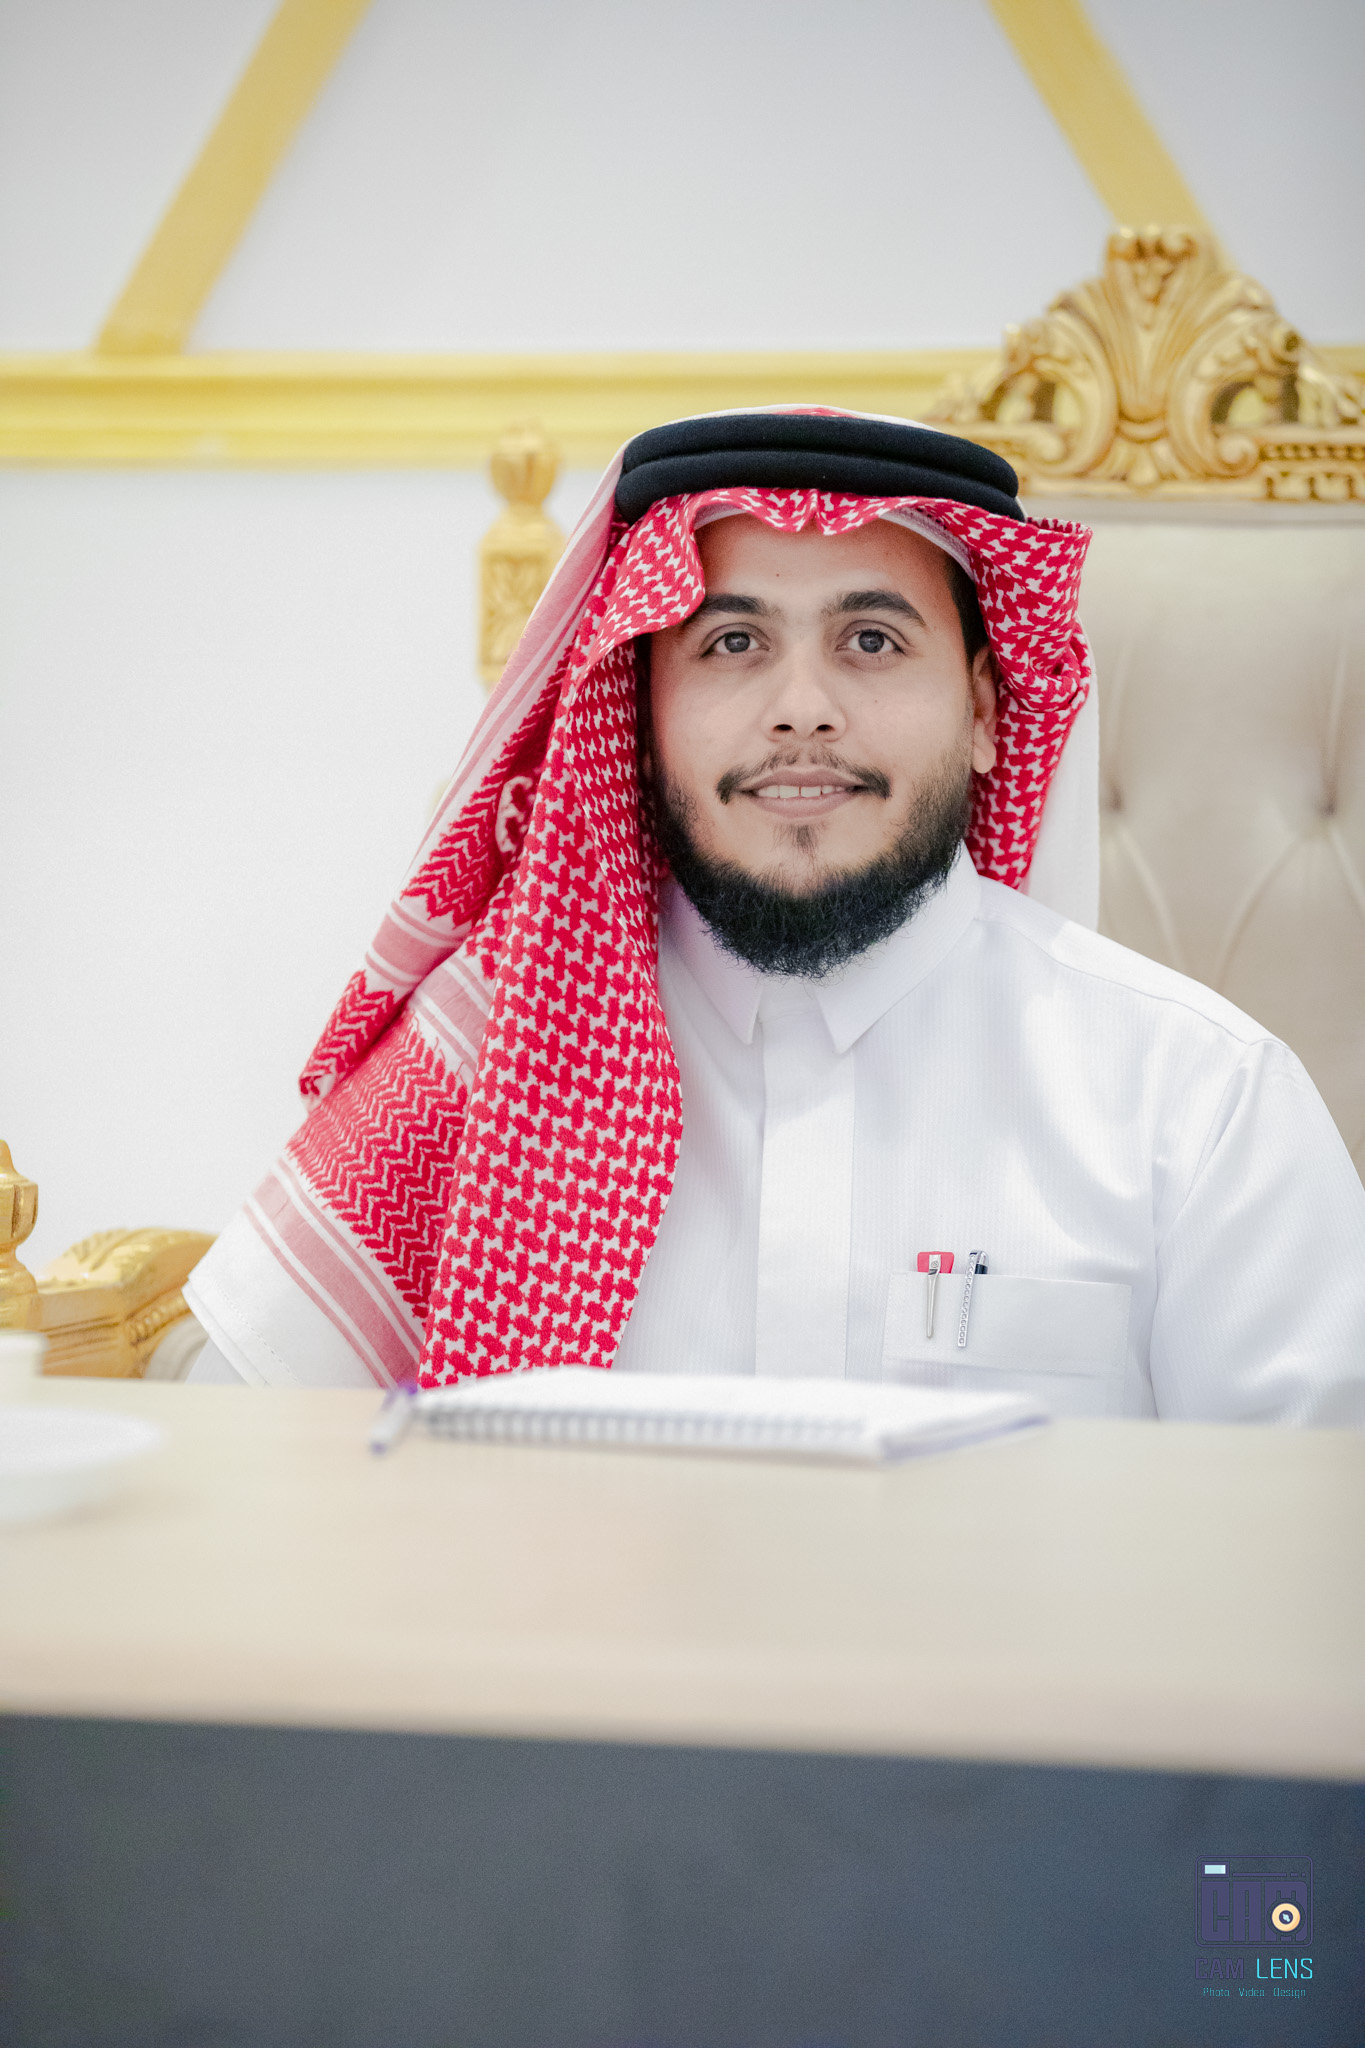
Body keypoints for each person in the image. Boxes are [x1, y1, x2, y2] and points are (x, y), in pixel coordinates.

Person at [184, 409, 1365, 1421]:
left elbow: (1309, 1547)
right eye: (734, 641)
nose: (802, 709)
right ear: (640, 716)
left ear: (987, 711)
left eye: (871, 639)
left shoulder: (1198, 1100)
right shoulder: (484, 1066)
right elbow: (245, 1465)